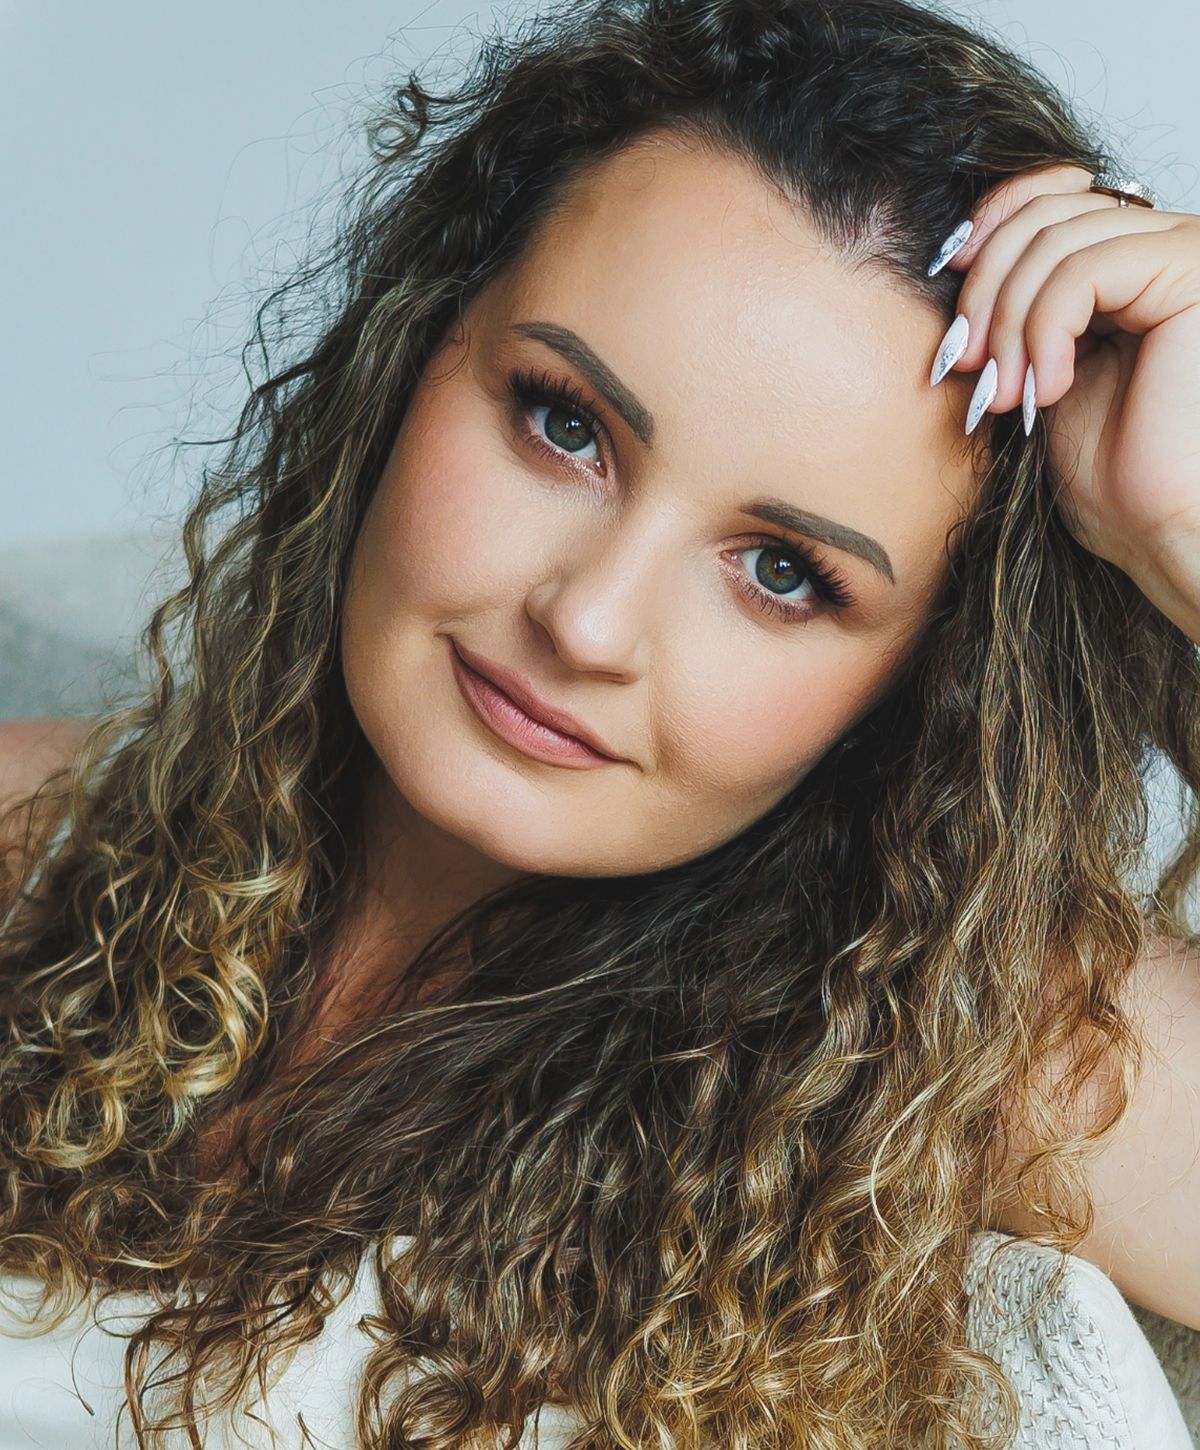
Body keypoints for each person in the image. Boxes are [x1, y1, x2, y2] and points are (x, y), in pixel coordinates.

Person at [1, 0, 1198, 1445]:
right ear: (413, 350)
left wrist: (1186, 535)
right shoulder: (38, 846)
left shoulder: (949, 1047)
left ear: (919, 679)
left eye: (782, 573)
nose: (586, 622)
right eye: (565, 423)